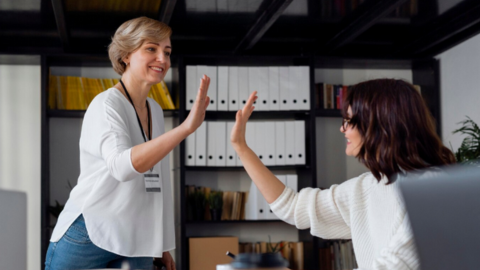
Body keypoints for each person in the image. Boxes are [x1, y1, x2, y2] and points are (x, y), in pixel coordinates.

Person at [230, 79, 456, 270]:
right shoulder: (368, 187)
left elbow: (392, 266)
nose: (342, 129)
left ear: (378, 124)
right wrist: (241, 147)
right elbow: (293, 207)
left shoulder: (435, 188)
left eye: (348, 121)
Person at [45, 17, 211, 270]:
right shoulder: (106, 105)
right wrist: (186, 128)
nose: (163, 59)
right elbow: (122, 167)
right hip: (90, 233)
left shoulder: (155, 109)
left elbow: (158, 180)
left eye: (167, 52)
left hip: (136, 238)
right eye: (151, 49)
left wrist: (161, 244)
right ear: (125, 56)